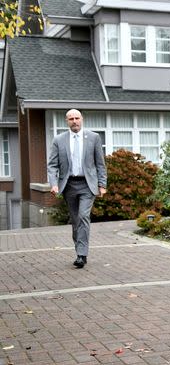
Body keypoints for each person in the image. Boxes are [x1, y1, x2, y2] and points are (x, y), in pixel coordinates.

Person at [47, 109, 107, 269]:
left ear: (82, 119)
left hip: (88, 184)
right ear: (67, 121)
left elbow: (100, 164)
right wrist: (53, 183)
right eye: (71, 119)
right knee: (75, 221)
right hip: (69, 185)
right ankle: (79, 251)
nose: (74, 121)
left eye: (77, 118)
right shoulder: (59, 140)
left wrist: (102, 184)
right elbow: (52, 165)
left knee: (83, 216)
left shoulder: (93, 137)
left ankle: (82, 254)